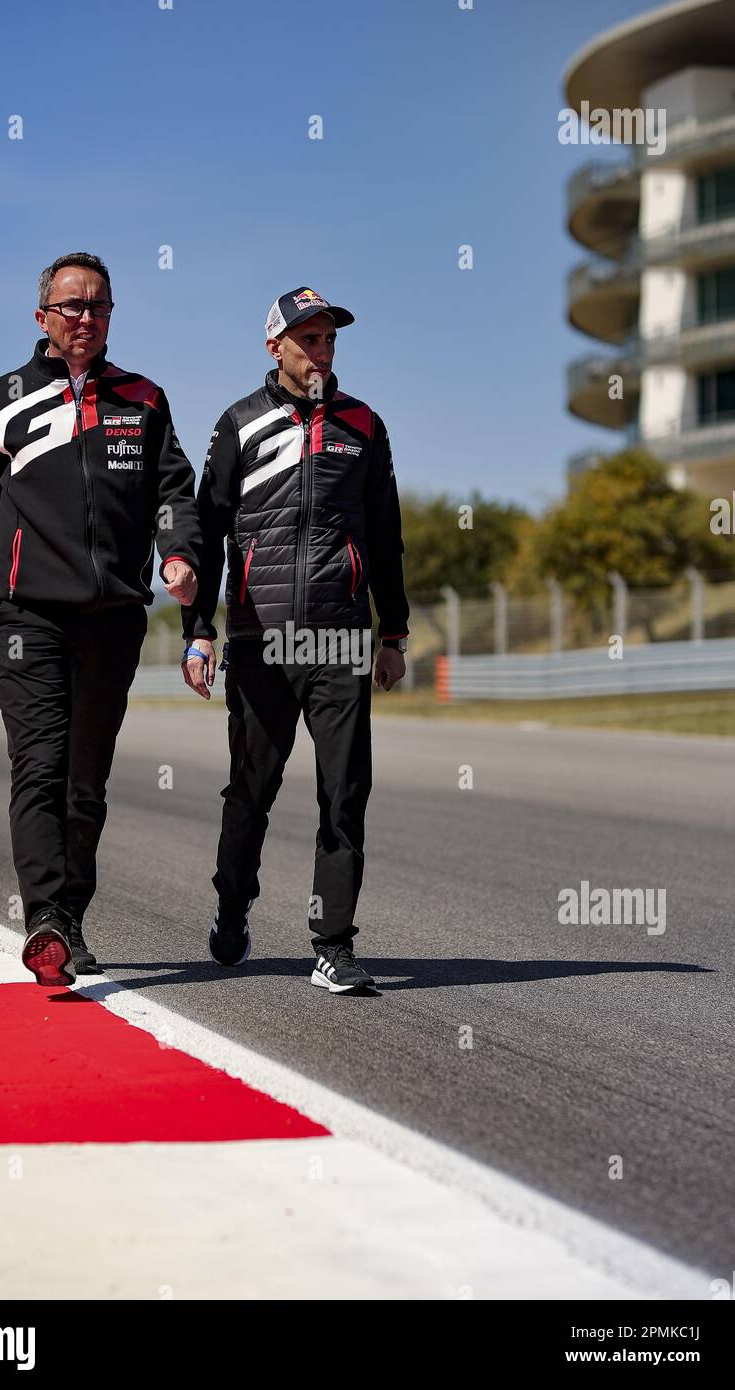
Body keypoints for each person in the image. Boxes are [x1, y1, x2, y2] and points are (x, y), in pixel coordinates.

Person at [0, 252, 200, 986]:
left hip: (114, 616)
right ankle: (43, 914)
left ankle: (70, 918)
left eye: (99, 305)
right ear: (42, 316)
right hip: (26, 613)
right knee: (39, 765)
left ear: (112, 315)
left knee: (86, 781)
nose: (86, 317)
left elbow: (174, 491)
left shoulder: (144, 400)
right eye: (72, 305)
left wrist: (177, 553)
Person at [181, 286, 408, 993]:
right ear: (274, 344)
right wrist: (200, 632)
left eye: (330, 338)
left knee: (345, 791)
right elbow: (205, 530)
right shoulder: (238, 425)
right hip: (259, 638)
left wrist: (392, 629)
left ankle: (333, 944)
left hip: (341, 639)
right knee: (252, 790)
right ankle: (231, 902)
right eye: (308, 338)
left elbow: (387, 534)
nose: (322, 350)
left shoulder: (364, 425)